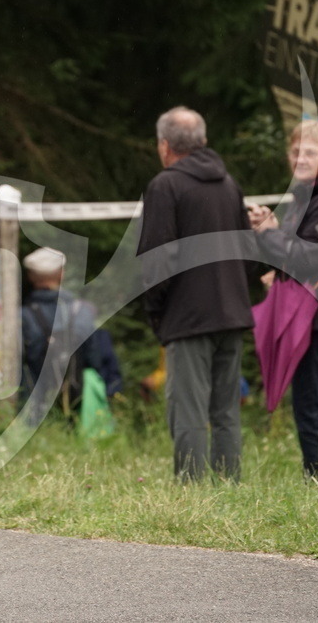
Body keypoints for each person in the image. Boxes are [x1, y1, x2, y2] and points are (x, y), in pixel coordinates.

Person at [137, 106, 254, 482]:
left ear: (165, 145)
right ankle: (228, 486)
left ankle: (191, 490)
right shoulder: (229, 184)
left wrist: (156, 311)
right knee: (225, 411)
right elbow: (247, 251)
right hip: (232, 313)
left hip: (188, 317)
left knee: (187, 411)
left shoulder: (165, 186)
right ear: (203, 141)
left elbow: (158, 259)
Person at [249, 120, 318, 483]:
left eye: (310, 152)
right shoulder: (306, 196)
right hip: (315, 315)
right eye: (296, 151)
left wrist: (269, 234)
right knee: (317, 405)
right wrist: (272, 227)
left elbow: (306, 259)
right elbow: (292, 252)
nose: (301, 158)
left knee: (313, 406)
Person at [19, 247, 102, 427]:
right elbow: (95, 356)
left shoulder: (20, 316)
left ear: (31, 277)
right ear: (61, 274)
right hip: (76, 395)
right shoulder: (83, 311)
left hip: (31, 401)